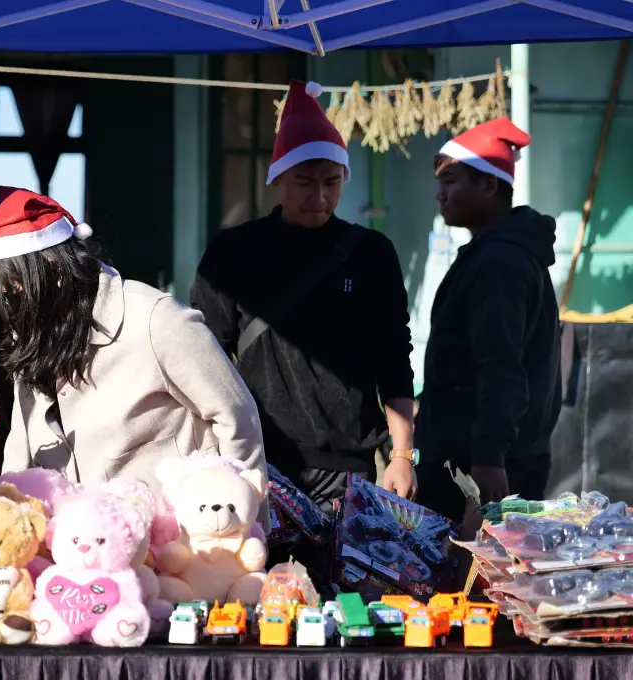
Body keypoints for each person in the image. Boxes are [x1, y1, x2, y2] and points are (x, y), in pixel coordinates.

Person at [0, 185, 268, 524]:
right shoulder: (29, 331)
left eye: (14, 287)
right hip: (78, 547)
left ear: (52, 269)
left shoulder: (155, 319)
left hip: (177, 545)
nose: (8, 302)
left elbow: (237, 417)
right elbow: (21, 445)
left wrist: (247, 527)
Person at [191, 80, 418, 514]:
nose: (319, 196)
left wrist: (402, 456)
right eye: (304, 182)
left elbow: (393, 357)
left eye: (332, 182)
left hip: (353, 468)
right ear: (277, 178)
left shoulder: (372, 253)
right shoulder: (234, 252)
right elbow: (205, 359)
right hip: (260, 463)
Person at [414, 118, 561, 522]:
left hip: (480, 466)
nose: (439, 195)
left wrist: (490, 456)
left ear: (489, 185)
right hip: (482, 454)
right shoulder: (498, 253)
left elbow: (501, 364)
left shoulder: (500, 262)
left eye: (450, 182)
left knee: (478, 581)